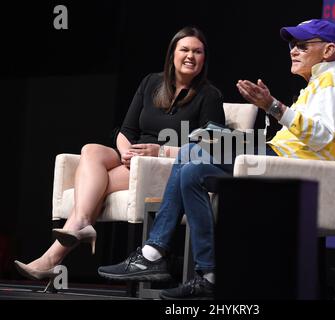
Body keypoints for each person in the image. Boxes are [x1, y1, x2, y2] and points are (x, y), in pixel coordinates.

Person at [97, 19, 335, 300]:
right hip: (274, 153)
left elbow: (321, 137)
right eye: (292, 45)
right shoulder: (317, 85)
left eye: (302, 45)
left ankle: (154, 252)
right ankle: (208, 274)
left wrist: (273, 106)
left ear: (329, 50)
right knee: (191, 172)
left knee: (193, 148)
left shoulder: (331, 83)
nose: (293, 51)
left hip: (284, 161)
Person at [14, 26, 225, 287]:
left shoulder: (210, 96)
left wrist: (159, 151)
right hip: (133, 156)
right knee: (91, 150)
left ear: (204, 58)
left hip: (164, 164)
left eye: (198, 51)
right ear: (172, 53)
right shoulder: (151, 83)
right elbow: (126, 130)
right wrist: (126, 152)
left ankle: (54, 255)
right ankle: (78, 226)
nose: (190, 56)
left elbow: (210, 148)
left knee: (91, 187)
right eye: (184, 49)